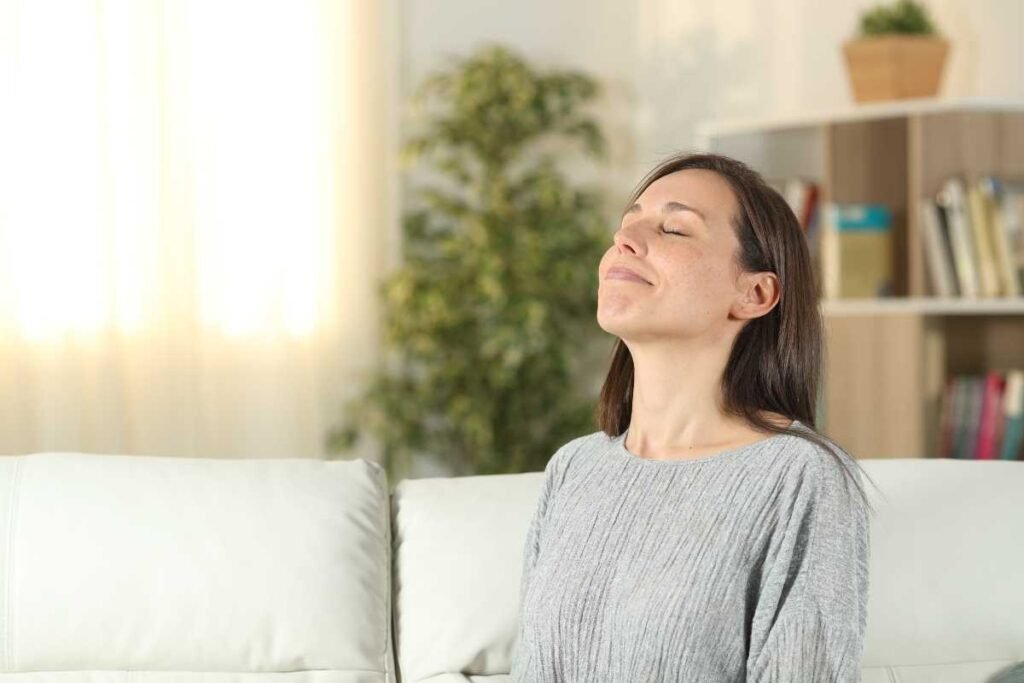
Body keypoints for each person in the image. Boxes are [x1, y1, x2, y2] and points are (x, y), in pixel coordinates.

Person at [509, 152, 878, 682]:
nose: (626, 240)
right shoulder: (574, 469)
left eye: (674, 229)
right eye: (627, 222)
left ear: (754, 294)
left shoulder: (799, 478)